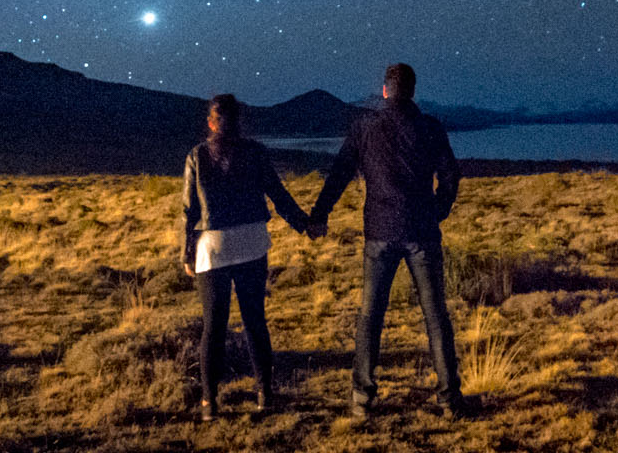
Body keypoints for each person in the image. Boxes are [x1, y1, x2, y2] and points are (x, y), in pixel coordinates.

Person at [307, 62, 470, 418]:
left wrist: (319, 215)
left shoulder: (366, 128)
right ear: (412, 91)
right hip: (422, 232)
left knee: (371, 315)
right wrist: (437, 209)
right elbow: (451, 175)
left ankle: (362, 399)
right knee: (436, 315)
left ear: (385, 91)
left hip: (379, 233)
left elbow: (339, 174)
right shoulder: (429, 127)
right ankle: (449, 399)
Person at [180, 93, 316, 420]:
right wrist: (305, 224)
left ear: (211, 123)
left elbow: (189, 210)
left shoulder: (197, 156)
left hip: (213, 247)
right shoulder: (254, 151)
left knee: (213, 327)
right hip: (252, 243)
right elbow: (278, 194)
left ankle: (209, 402)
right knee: (255, 321)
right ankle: (265, 394)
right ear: (238, 122)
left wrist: (186, 252)